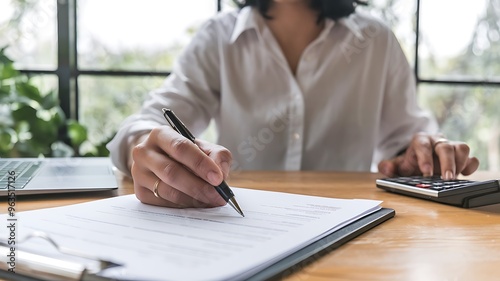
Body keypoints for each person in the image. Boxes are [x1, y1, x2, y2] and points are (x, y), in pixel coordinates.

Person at [107, 0, 480, 209]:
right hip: (239, 232)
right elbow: (144, 125)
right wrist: (147, 147)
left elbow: (403, 144)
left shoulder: (375, 40)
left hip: (351, 231)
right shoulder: (218, 39)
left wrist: (420, 154)